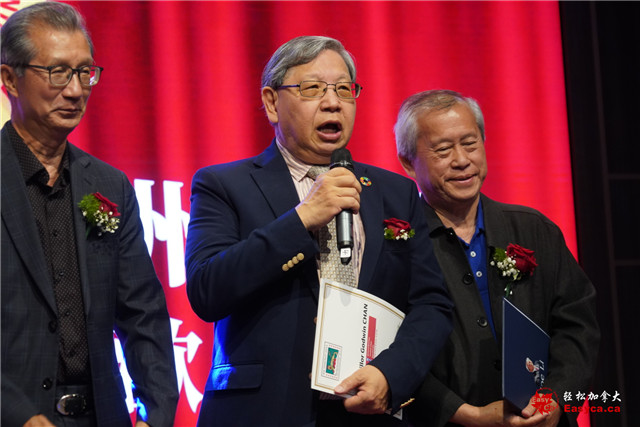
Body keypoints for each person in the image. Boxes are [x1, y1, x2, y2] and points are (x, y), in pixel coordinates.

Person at [185, 36, 453, 426]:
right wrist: (302, 219)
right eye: (312, 89)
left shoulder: (396, 193)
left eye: (344, 89)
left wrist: (390, 375)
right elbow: (206, 289)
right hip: (262, 412)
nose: (333, 103)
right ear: (272, 103)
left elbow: (431, 304)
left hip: (364, 410)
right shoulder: (224, 185)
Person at [1, 3, 178, 426]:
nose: (76, 90)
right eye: (58, 72)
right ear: (9, 78)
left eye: (85, 72)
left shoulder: (109, 186)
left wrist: (156, 415)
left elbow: (143, 314)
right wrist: (16, 414)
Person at [394, 90, 600, 426]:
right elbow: (389, 349)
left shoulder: (534, 229)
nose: (462, 160)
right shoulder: (396, 246)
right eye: (443, 150)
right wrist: (467, 416)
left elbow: (578, 327)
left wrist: (554, 399)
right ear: (407, 162)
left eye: (470, 143)